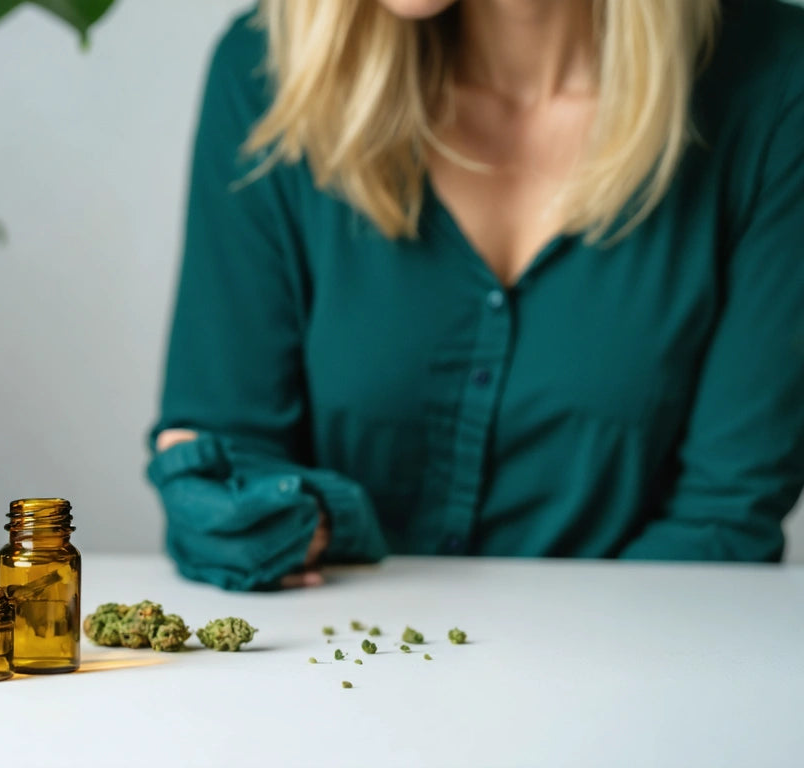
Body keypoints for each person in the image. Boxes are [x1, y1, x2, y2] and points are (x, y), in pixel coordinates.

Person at [148, 0, 804, 591]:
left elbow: (725, 518)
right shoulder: (270, 71)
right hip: (327, 685)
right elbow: (228, 450)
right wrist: (260, 516)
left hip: (635, 693)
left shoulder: (775, 87)